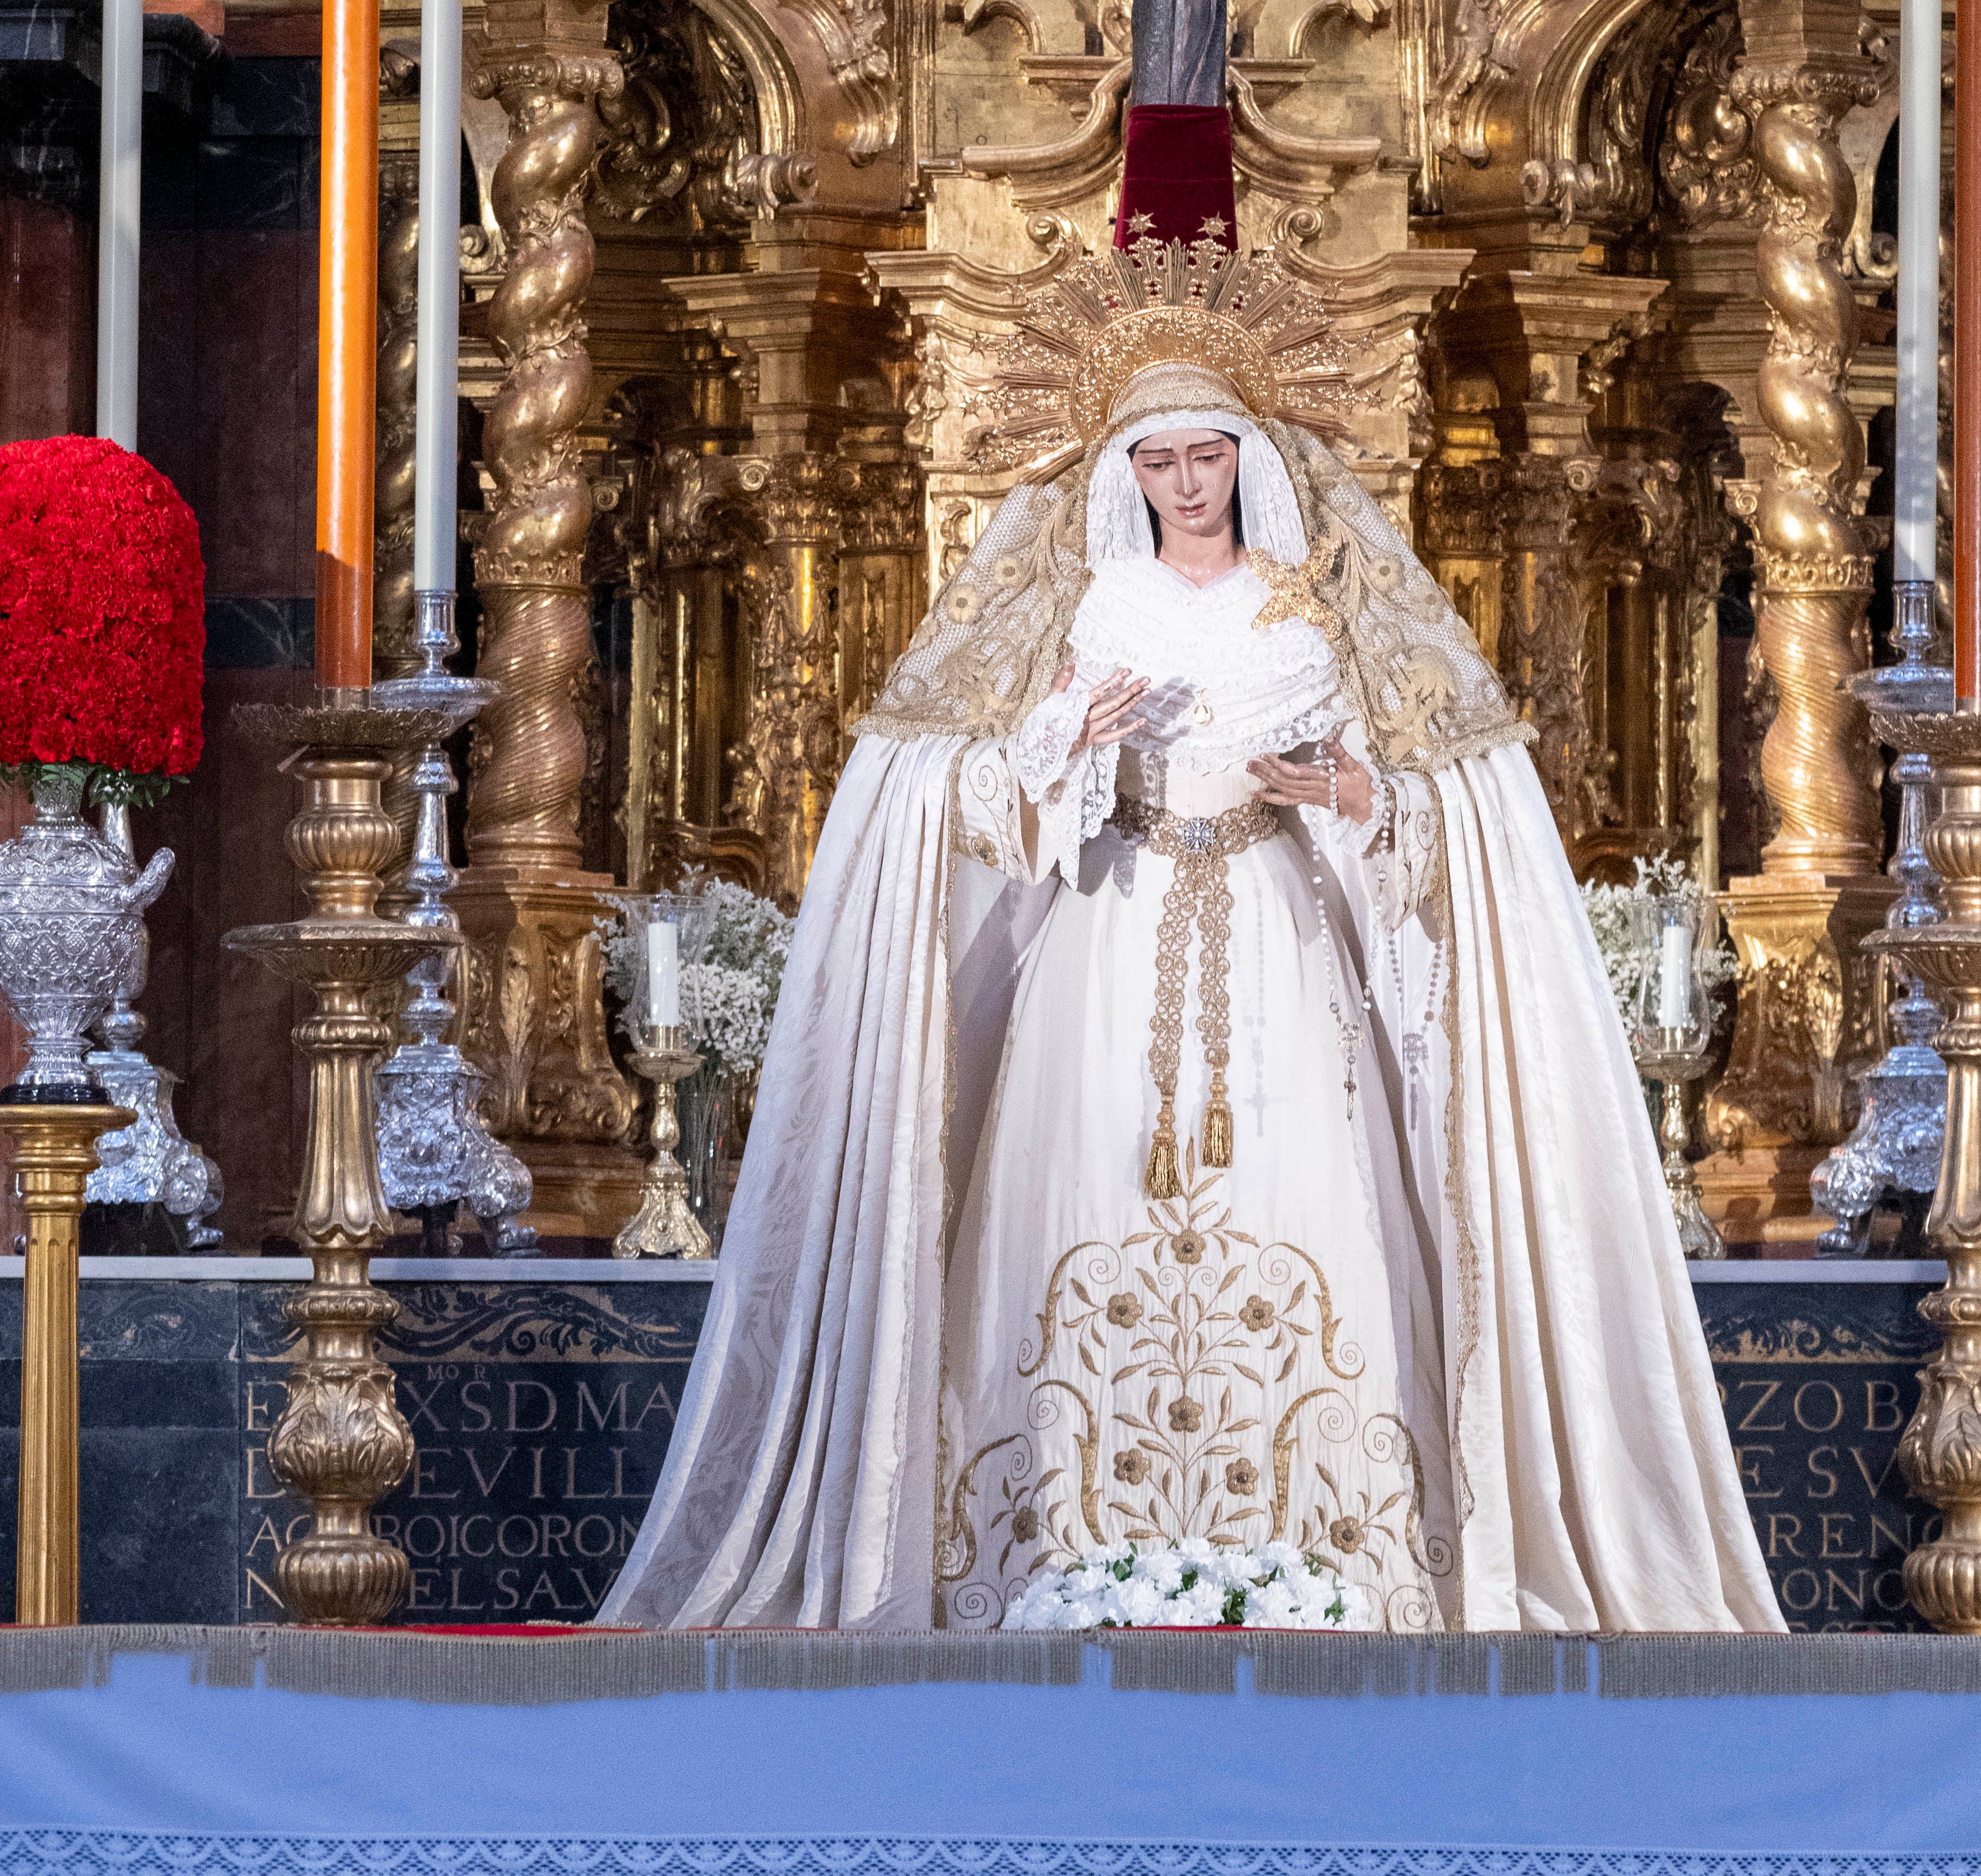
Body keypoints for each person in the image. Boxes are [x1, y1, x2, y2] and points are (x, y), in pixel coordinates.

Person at [605, 249, 1779, 1638]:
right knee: (1081, 1183)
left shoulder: (1320, 612)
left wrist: (1348, 797)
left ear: (1246, 457)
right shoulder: (1091, 608)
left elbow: (1426, 815)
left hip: (1281, 935)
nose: (1183, 481)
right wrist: (1065, 750)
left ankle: (1316, 1540)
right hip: (1109, 933)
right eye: (1156, 457)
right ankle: (1066, 1536)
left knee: (1307, 1195)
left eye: (1204, 452)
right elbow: (976, 804)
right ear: (1126, 471)